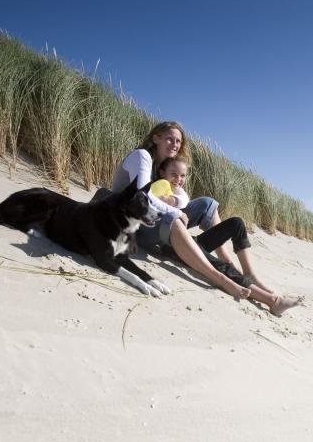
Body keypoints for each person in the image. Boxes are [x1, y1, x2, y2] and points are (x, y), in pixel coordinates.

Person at [111, 121, 302, 316]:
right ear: (155, 138)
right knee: (176, 221)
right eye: (169, 138)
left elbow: (183, 196)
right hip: (132, 225)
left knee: (207, 203)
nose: (174, 144)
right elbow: (143, 197)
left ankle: (230, 261)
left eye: (178, 141)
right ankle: (219, 277)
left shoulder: (166, 166)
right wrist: (176, 211)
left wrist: (175, 202)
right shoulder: (142, 156)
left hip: (155, 220)